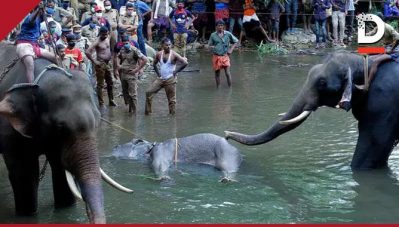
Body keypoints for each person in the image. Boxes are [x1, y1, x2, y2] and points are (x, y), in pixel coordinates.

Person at [145, 37, 188, 115]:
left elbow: (185, 63)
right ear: (162, 45)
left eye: (169, 45)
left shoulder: (174, 54)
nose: (168, 46)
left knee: (171, 100)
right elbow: (154, 64)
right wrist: (158, 74)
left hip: (170, 79)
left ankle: (172, 118)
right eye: (166, 45)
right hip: (161, 79)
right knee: (148, 93)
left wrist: (175, 71)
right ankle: (148, 113)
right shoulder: (159, 54)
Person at [16, 3, 56, 83]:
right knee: (30, 65)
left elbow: (45, 16)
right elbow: (31, 20)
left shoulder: (39, 19)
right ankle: (31, 86)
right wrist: (37, 10)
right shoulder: (29, 18)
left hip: (34, 46)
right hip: (24, 45)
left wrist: (42, 9)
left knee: (55, 57)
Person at [86, 26, 117, 107]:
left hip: (108, 63)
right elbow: (87, 52)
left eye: (106, 34)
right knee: (100, 84)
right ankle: (101, 103)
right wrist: (95, 61)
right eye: (103, 35)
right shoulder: (97, 41)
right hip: (100, 63)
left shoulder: (108, 37)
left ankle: (111, 100)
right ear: (100, 33)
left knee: (110, 83)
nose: (105, 36)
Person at [116, 35, 148, 114]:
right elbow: (117, 56)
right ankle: (129, 108)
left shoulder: (135, 50)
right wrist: (118, 65)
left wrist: (137, 69)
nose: (125, 45)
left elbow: (145, 60)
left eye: (126, 43)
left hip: (131, 74)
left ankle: (134, 112)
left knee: (133, 94)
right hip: (123, 73)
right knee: (125, 92)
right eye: (123, 44)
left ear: (129, 42)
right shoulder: (122, 49)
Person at [367, 14, 399, 85]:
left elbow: (398, 38)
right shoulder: (378, 27)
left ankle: (367, 84)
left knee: (376, 61)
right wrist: (366, 34)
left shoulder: (388, 27)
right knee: (367, 52)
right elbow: (372, 32)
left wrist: (391, 49)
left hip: (394, 50)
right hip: (385, 48)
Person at [207, 20, 238, 88]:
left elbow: (236, 41)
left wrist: (231, 50)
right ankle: (218, 87)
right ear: (216, 27)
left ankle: (230, 88)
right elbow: (209, 45)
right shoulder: (213, 35)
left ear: (224, 26)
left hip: (225, 56)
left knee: (227, 73)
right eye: (219, 25)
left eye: (221, 25)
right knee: (217, 73)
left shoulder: (228, 34)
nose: (220, 27)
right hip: (216, 56)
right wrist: (211, 48)